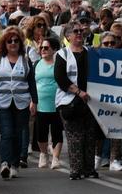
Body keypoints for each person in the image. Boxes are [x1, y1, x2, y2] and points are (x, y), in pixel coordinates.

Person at [55, 24, 102, 180]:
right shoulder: (62, 54)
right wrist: (78, 92)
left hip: (90, 101)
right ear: (68, 36)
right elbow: (60, 78)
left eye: (82, 31)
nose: (80, 34)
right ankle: (76, 169)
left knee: (90, 135)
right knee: (75, 136)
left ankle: (89, 169)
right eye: (75, 31)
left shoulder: (92, 53)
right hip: (70, 101)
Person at [0, 26, 35, 180]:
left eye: (16, 41)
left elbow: (32, 83)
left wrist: (34, 102)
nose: (13, 43)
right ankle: (5, 163)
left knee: (17, 134)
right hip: (2, 102)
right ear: (5, 43)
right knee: (6, 133)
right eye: (9, 41)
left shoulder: (26, 60)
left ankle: (15, 164)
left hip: (22, 102)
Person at [32, 35, 63, 169]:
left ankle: (55, 158)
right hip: (40, 104)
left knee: (57, 132)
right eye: (41, 47)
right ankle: (43, 154)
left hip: (57, 103)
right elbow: (32, 84)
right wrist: (32, 101)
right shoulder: (36, 64)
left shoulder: (60, 64)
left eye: (46, 47)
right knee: (41, 132)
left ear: (54, 49)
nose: (43, 50)